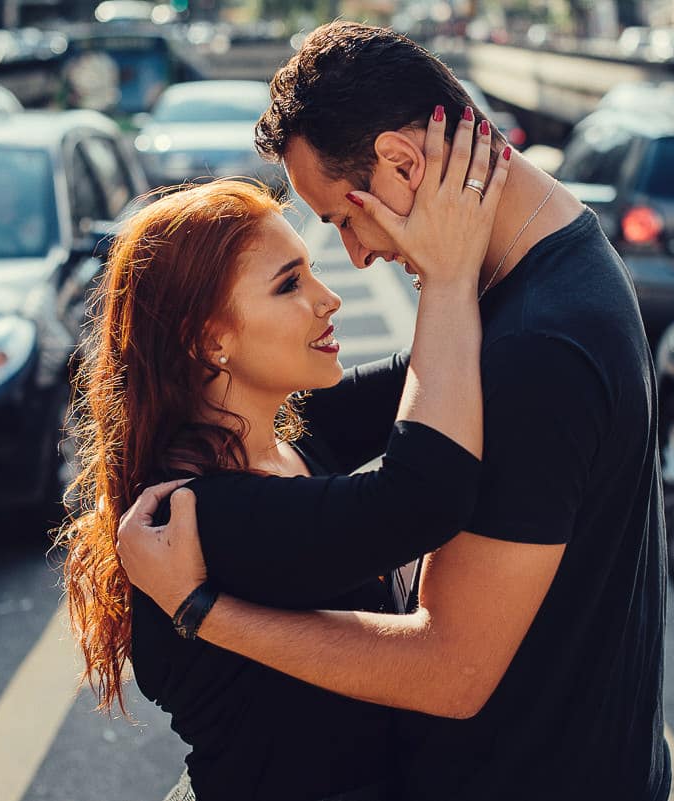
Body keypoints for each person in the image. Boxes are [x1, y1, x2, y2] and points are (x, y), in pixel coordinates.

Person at [117, 21, 671, 801]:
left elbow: (451, 662)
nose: (357, 258)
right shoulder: (564, 272)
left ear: (403, 163)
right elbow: (409, 460)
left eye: (343, 219)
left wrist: (204, 609)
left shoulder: (535, 344)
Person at [59, 107, 510, 801]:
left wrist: (440, 236)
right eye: (289, 283)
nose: (329, 298)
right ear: (208, 339)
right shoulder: (200, 514)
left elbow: (435, 367)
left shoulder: (282, 440)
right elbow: (426, 493)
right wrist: (447, 279)